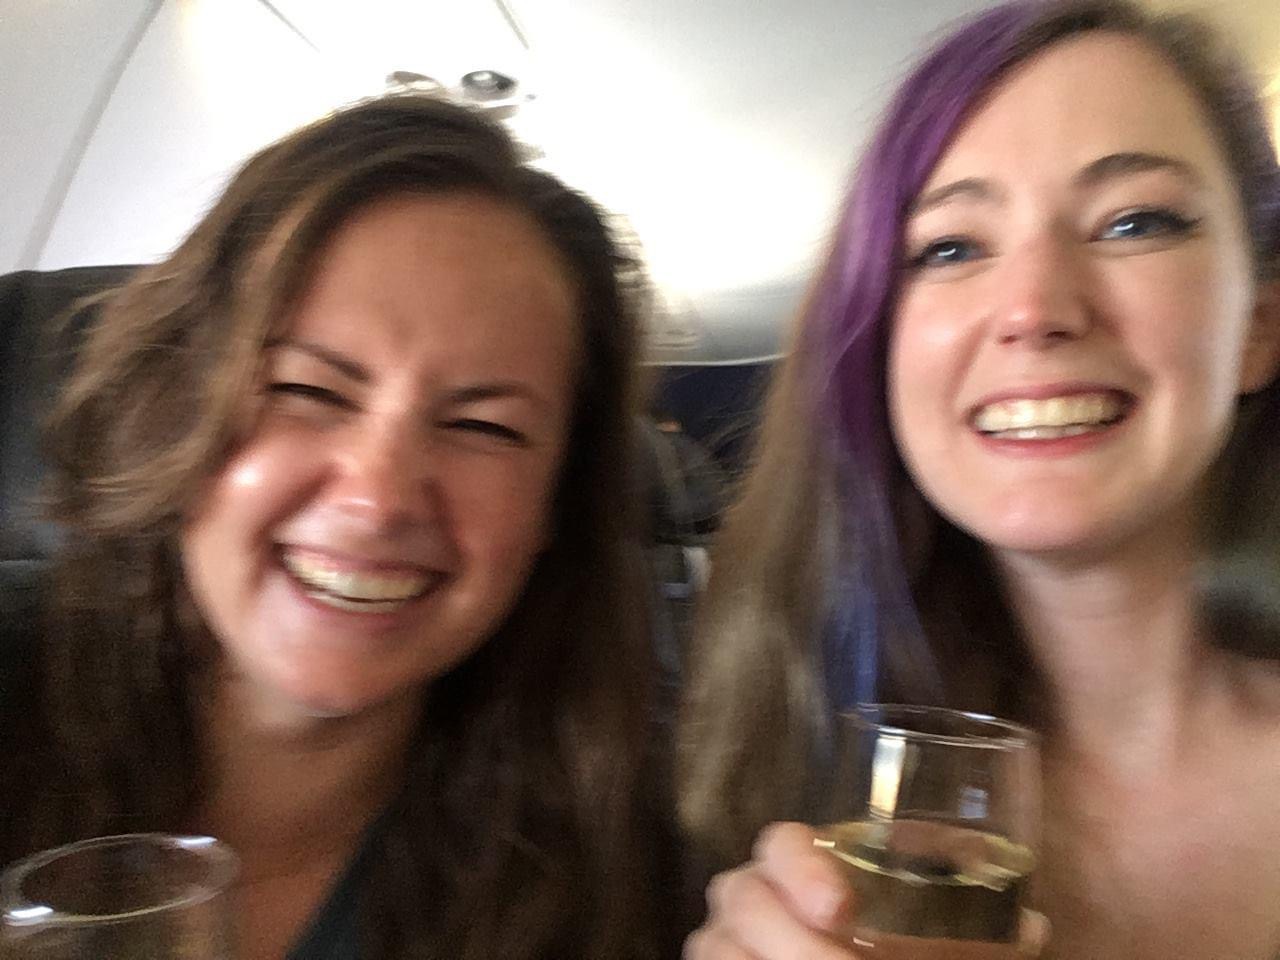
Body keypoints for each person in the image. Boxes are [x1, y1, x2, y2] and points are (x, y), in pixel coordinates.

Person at [0, 94, 674, 959]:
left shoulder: (632, 876)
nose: (378, 499)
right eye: (307, 391)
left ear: (555, 506)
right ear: (173, 408)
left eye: (485, 427)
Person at [677, 1, 1280, 957]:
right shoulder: (760, 755)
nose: (1035, 308)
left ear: (1259, 324)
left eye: (1134, 222)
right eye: (951, 247)